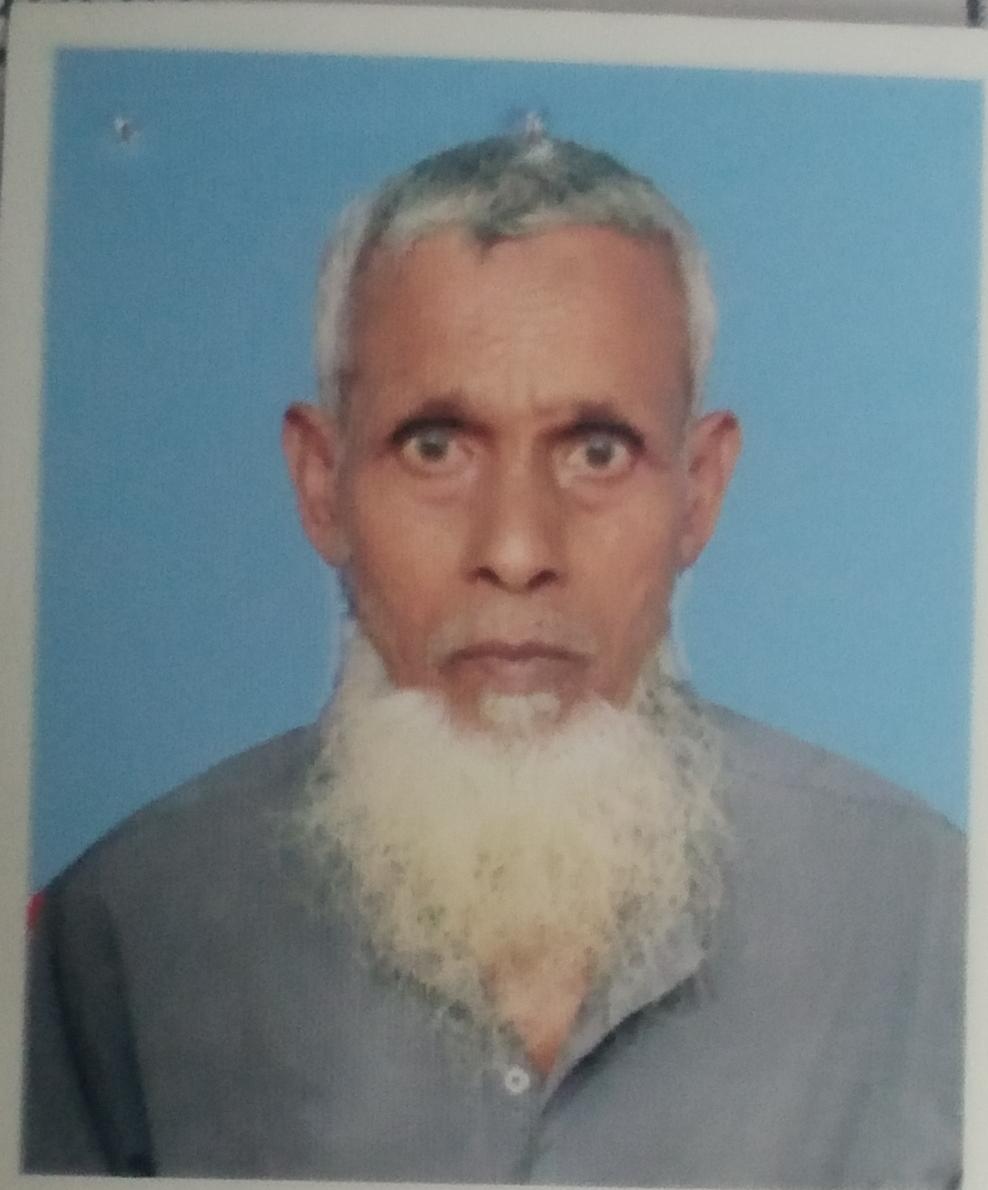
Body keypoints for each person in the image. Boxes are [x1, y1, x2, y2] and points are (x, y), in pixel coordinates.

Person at [22, 130, 964, 1188]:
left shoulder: (930, 922)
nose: (516, 550)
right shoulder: (125, 937)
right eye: (435, 446)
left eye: (597, 450)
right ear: (322, 484)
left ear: (698, 492)